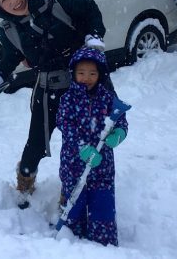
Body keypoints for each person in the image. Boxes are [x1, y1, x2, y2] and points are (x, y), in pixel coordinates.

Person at [0, 0, 106, 208]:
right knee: (36, 143)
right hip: (46, 88)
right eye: (3, 0)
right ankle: (25, 180)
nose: (13, 1)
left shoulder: (56, 1)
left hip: (80, 87)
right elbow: (11, 57)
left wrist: (94, 36)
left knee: (80, 143)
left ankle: (74, 191)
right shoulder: (10, 30)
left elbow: (90, 9)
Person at [56, 46, 128, 246]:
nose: (86, 77)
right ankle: (71, 239)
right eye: (81, 73)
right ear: (73, 73)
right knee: (75, 201)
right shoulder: (68, 99)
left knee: (102, 202)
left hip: (102, 164)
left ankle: (102, 240)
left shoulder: (106, 98)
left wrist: (119, 133)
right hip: (74, 164)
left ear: (100, 74)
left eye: (92, 73)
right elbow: (64, 123)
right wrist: (82, 147)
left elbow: (121, 119)